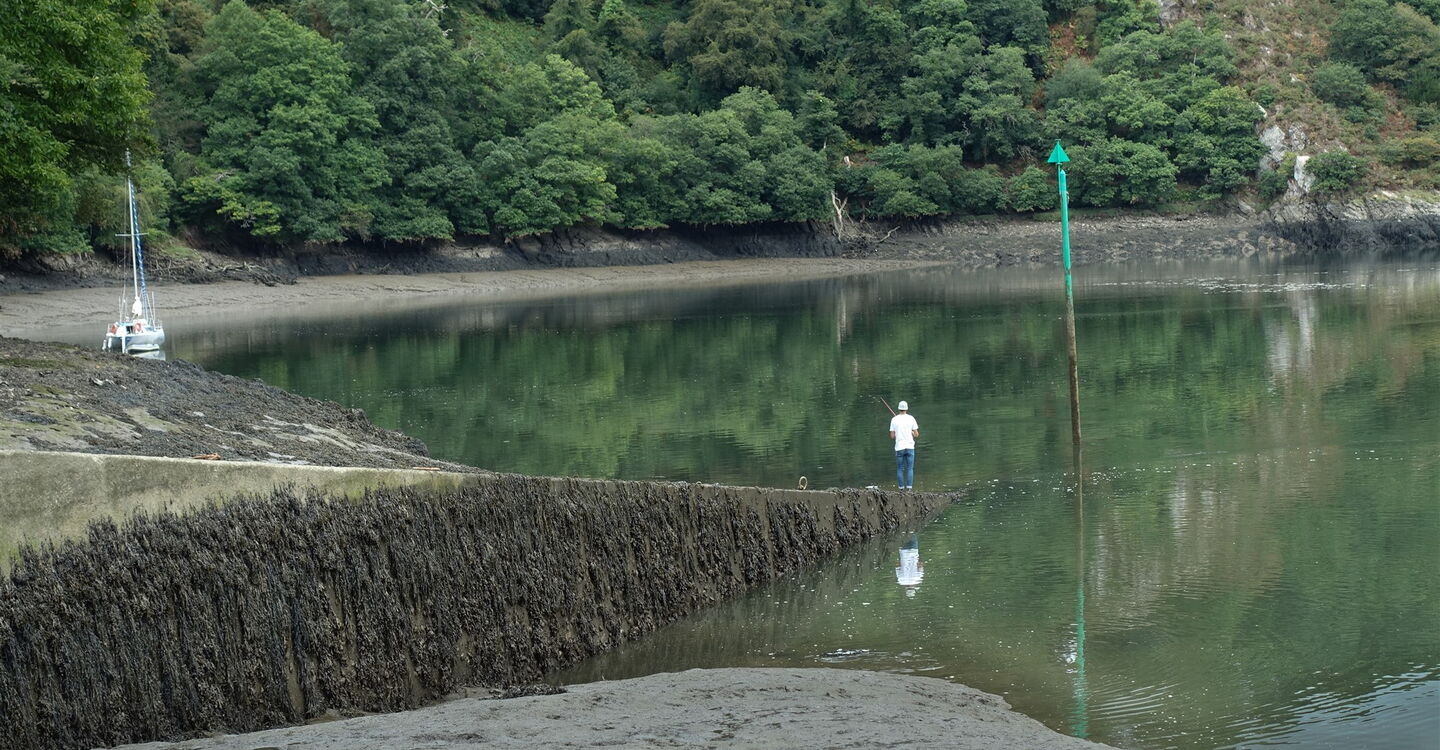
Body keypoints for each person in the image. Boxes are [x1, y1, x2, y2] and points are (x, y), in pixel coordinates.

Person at [888, 400, 919, 490]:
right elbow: (916, 434)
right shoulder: (911, 418)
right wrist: (912, 433)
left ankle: (901, 489)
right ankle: (909, 489)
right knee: (910, 468)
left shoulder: (894, 419)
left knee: (900, 468)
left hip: (899, 447)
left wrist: (897, 433)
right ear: (906, 409)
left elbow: (892, 436)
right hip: (910, 447)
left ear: (899, 408)